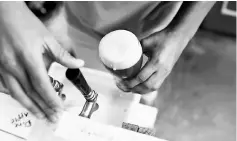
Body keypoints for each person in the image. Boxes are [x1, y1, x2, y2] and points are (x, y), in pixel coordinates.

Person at [0, 1, 215, 122]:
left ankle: (144, 102)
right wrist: (7, 9)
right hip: (81, 18)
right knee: (101, 78)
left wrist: (181, 32)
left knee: (143, 89)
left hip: (153, 27)